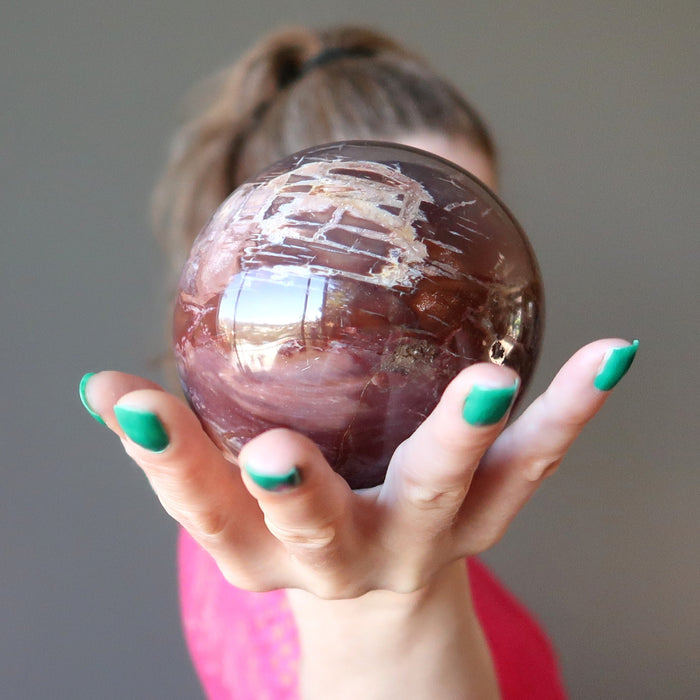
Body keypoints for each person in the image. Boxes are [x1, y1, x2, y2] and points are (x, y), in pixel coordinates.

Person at [78, 25, 638, 700]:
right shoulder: (275, 551)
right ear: (247, 256)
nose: (445, 312)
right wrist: (380, 609)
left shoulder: (410, 535)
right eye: (374, 258)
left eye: (472, 249)